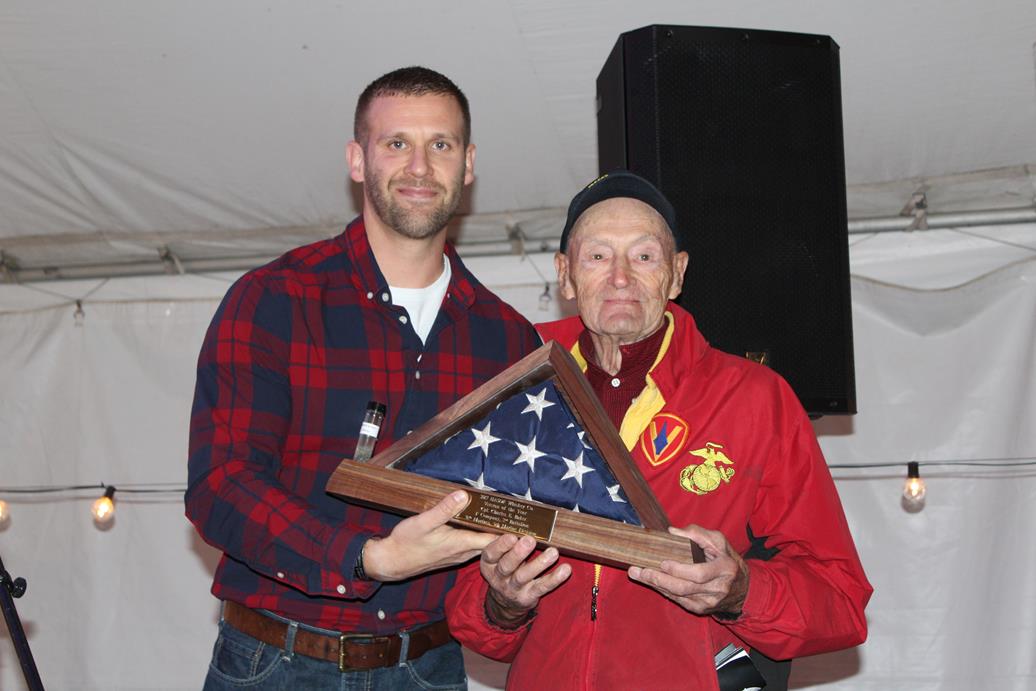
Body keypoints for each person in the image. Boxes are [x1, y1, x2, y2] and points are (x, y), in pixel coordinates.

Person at [445, 171, 873, 690]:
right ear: (565, 275)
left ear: (676, 274)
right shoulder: (519, 392)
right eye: (598, 256)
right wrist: (503, 602)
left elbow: (840, 600)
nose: (620, 277)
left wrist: (740, 590)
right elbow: (475, 618)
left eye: (644, 256)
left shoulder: (756, 398)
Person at [186, 66, 541, 690]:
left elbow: (511, 512)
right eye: (395, 143)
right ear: (358, 160)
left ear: (469, 164)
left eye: (441, 145)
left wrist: (507, 585)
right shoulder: (274, 300)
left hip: (429, 667)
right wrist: (367, 557)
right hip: (277, 664)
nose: (419, 166)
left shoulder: (509, 340)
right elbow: (222, 484)